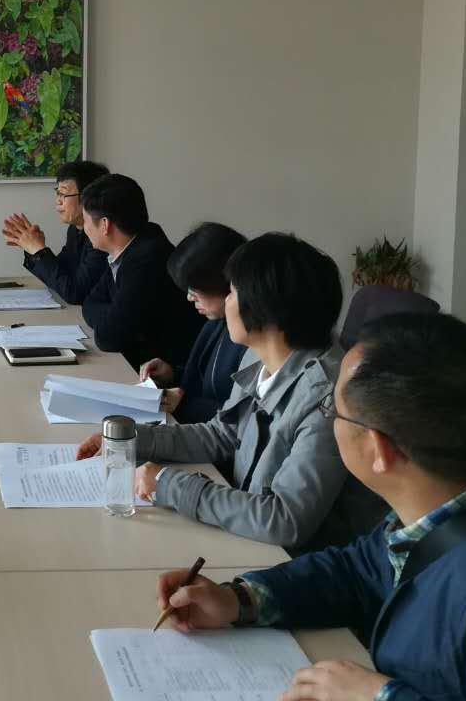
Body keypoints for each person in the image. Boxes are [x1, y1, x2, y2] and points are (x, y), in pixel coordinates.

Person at [152, 313, 466, 701]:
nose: (329, 421)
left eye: (334, 412)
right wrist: (240, 600)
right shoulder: (455, 497)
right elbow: (356, 572)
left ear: (379, 449)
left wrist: (379, 696)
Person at [78, 232, 384, 551]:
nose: (226, 300)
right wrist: (130, 441)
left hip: (290, 560)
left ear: (264, 309)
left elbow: (285, 520)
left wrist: (169, 484)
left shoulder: (328, 398)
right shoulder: (259, 357)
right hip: (246, 534)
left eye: (233, 292)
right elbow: (222, 434)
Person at [77, 174, 203, 370]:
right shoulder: (130, 247)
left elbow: (109, 337)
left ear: (104, 224)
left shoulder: (148, 259)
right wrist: (112, 317)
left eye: (85, 221)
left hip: (165, 372)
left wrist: (112, 320)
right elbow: (90, 304)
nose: (84, 228)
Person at [140, 222, 249, 424]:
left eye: (195, 288)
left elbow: (246, 418)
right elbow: (204, 382)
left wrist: (182, 403)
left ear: (221, 282)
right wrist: (172, 374)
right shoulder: (216, 322)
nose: (190, 297)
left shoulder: (251, 338)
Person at [1, 159, 109, 303]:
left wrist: (39, 251)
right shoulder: (75, 229)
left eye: (63, 194)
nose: (58, 201)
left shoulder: (103, 235)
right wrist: (33, 248)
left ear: (88, 197)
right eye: (57, 193)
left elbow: (75, 293)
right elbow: (61, 275)